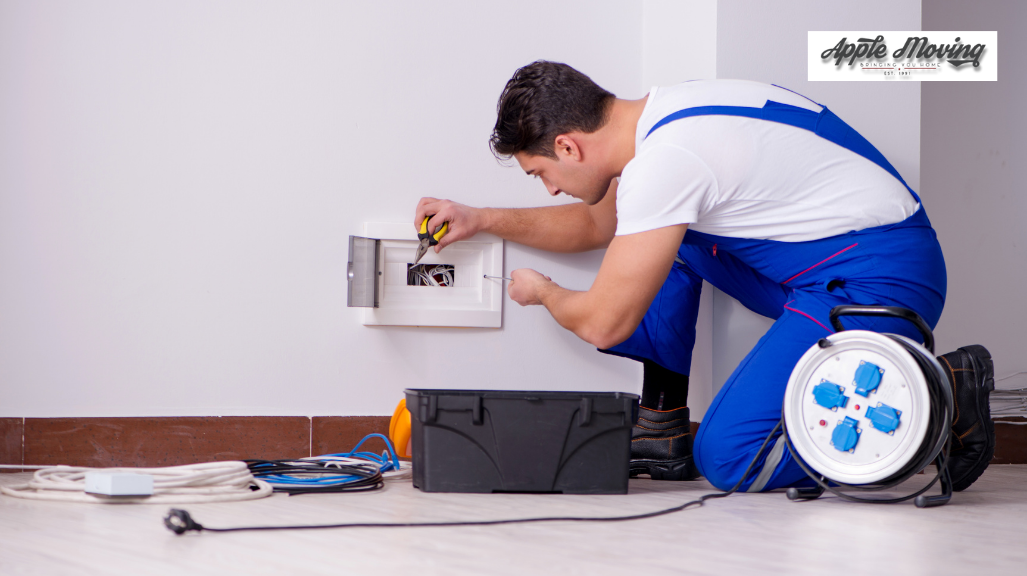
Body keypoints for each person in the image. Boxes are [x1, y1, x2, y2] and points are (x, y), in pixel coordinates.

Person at [413, 61, 995, 492]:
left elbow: (605, 324)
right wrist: (479, 219)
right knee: (669, 239)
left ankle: (933, 398)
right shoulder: (667, 116)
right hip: (832, 259)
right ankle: (662, 425)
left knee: (733, 458)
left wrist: (544, 293)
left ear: (568, 143)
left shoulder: (666, 164)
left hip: (878, 278)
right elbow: (599, 227)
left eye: (543, 172)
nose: (550, 187)